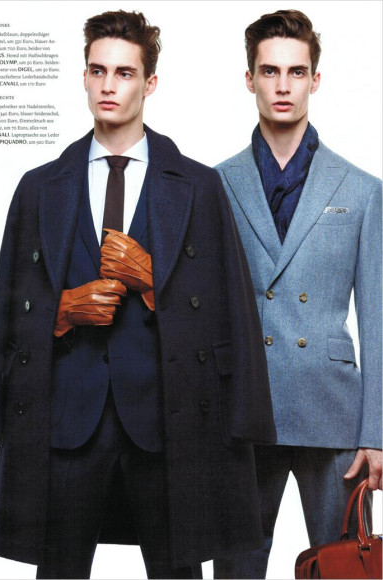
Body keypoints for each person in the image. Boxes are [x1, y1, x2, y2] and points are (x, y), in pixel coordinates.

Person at [0, 9, 276, 580]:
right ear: (84, 77)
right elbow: (6, 314)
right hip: (67, 423)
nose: (108, 85)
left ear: (149, 83)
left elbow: (229, 313)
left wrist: (153, 280)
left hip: (167, 423)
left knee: (177, 573)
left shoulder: (199, 186)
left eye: (125, 73)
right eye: (98, 71)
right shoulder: (39, 187)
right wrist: (61, 312)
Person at [213, 9, 382, 579]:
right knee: (236, 572)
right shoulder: (214, 185)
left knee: (347, 569)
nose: (282, 85)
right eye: (269, 71)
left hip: (333, 414)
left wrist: (377, 433)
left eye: (296, 71)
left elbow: (378, 319)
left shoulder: (362, 190)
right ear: (250, 79)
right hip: (244, 412)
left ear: (315, 79)